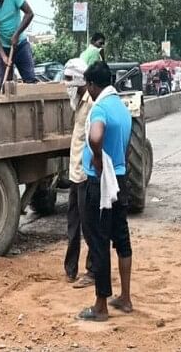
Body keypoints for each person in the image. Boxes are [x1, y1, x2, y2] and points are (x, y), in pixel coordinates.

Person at [77, 61, 133, 322]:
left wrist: (97, 159)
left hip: (100, 184)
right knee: (121, 239)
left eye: (87, 85)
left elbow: (95, 137)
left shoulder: (99, 108)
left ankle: (100, 306)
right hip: (120, 181)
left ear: (91, 84)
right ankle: (125, 298)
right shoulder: (121, 108)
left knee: (98, 241)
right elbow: (127, 146)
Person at [63, 58, 95, 288]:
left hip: (85, 175)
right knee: (73, 224)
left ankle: (93, 270)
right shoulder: (78, 102)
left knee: (89, 225)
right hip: (75, 174)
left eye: (68, 79)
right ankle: (71, 268)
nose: (65, 84)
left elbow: (94, 141)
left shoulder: (92, 104)